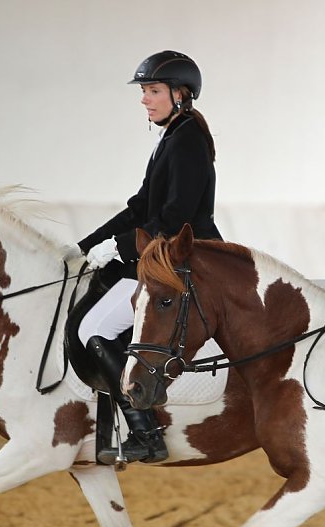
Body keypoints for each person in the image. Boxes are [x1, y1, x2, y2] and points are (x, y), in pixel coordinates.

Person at [76, 50, 221, 465]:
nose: (145, 99)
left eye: (153, 91)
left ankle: (146, 429)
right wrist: (88, 245)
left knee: (96, 329)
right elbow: (141, 207)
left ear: (180, 94)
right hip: (158, 255)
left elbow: (173, 218)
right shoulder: (172, 137)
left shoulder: (188, 139)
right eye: (144, 91)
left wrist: (119, 247)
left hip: (182, 260)